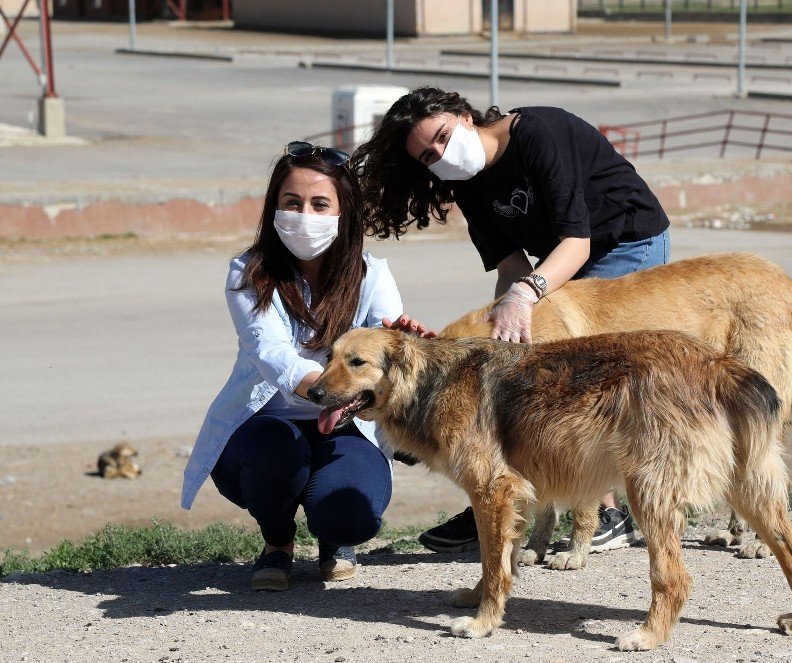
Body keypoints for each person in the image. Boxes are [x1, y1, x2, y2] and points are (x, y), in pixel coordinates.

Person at [351, 87, 671, 556]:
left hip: (623, 241)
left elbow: (576, 244)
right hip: (560, 259)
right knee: (522, 367)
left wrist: (525, 295)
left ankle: (607, 510)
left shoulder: (537, 134)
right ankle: (500, 491)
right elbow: (510, 266)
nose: (440, 154)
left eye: (442, 136)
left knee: (586, 371)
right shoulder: (464, 181)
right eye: (428, 156)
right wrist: (497, 333)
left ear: (465, 116)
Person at [181, 142, 433, 591]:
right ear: (273, 207)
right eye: (292, 202)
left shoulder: (372, 275)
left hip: (349, 427)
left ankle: (335, 537)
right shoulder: (248, 272)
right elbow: (270, 351)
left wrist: (408, 343)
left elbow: (388, 348)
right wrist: (328, 389)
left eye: (320, 204)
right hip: (264, 428)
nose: (304, 215)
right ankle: (277, 540)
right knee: (276, 452)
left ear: (344, 212)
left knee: (349, 516)